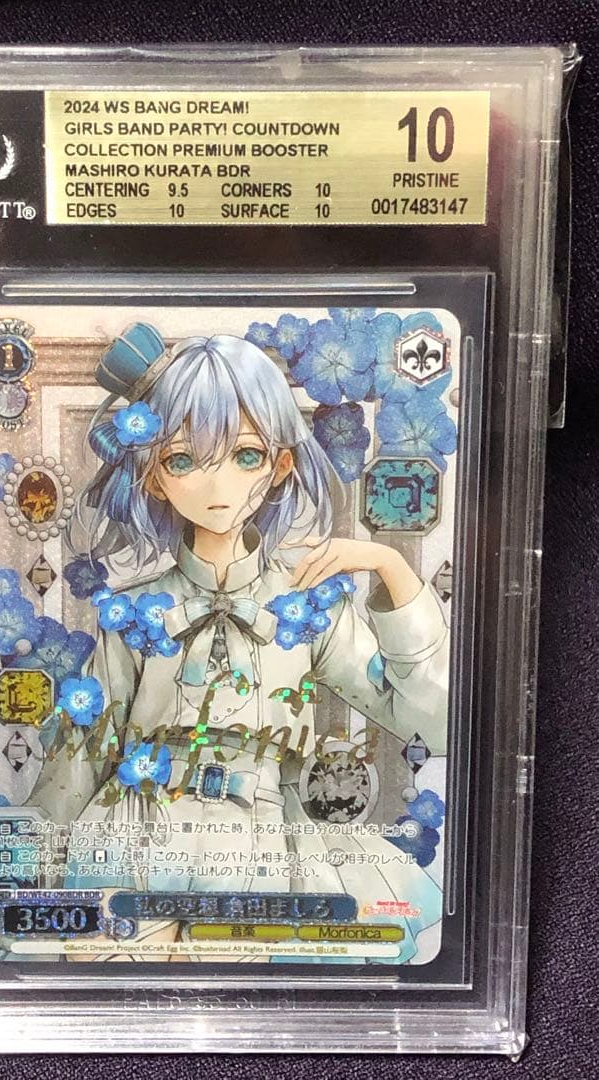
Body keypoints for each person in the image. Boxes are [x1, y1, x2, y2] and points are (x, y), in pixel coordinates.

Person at [30, 324, 449, 963]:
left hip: (260, 843)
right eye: (182, 460)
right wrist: (25, 871)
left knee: (236, 990)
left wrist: (391, 568)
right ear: (154, 476)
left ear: (281, 465)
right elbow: (83, 753)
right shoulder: (133, 612)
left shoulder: (308, 604)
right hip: (133, 832)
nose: (216, 485)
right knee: (116, 987)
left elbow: (431, 723)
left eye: (245, 455)